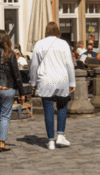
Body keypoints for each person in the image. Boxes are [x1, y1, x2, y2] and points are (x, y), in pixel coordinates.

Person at [31, 22, 76, 150]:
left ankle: (50, 140)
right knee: (62, 106)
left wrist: (33, 82)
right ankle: (60, 134)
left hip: (45, 79)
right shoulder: (63, 44)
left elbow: (34, 65)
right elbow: (69, 64)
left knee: (48, 109)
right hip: (62, 78)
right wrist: (72, 82)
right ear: (57, 31)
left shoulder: (39, 44)